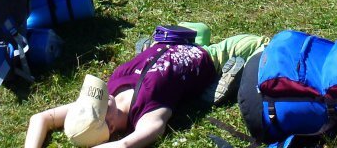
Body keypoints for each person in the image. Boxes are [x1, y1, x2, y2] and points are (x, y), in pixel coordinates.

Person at [24, 34, 268, 148]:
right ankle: (215, 84)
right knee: (259, 43)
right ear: (109, 127)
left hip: (171, 41)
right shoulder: (149, 114)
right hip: (208, 57)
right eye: (98, 104)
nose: (96, 96)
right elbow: (125, 145)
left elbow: (41, 118)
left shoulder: (101, 101)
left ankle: (155, 47)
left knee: (200, 28)